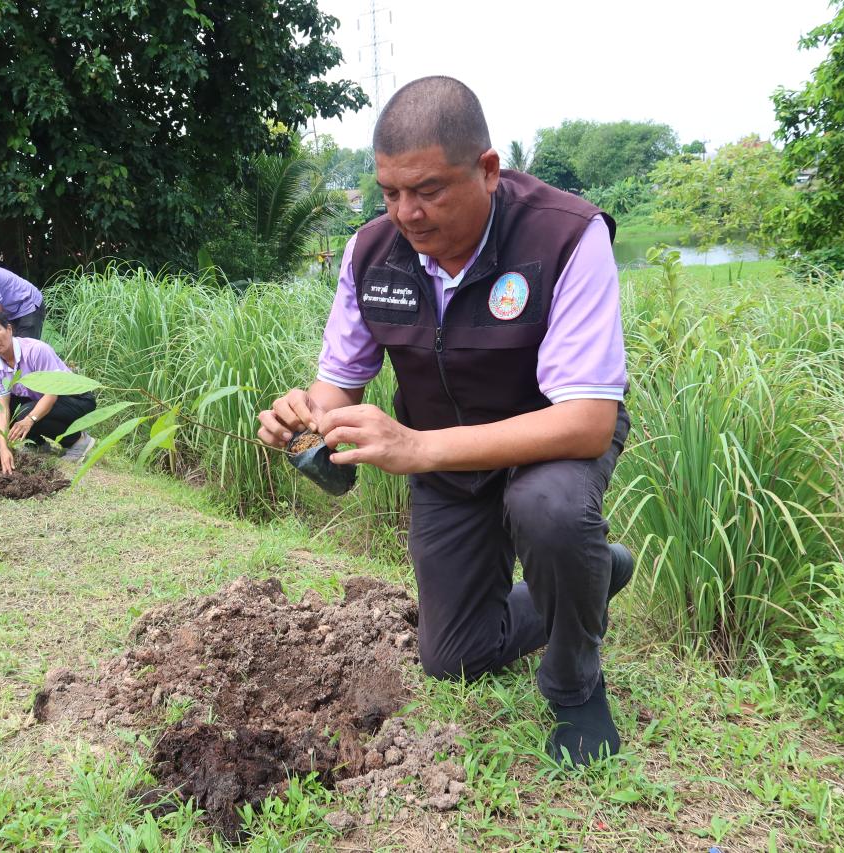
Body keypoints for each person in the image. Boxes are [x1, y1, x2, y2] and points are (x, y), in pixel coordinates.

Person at [256, 77, 634, 768]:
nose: (408, 213)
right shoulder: (370, 253)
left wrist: (418, 446)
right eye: (390, 192)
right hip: (444, 463)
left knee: (546, 505)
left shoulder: (566, 236)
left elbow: (585, 422)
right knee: (455, 657)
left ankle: (575, 681)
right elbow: (335, 388)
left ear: (487, 170)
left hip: (546, 446)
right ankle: (593, 573)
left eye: (427, 189)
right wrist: (303, 420)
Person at [0, 309, 96, 473]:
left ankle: (78, 441)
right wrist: (4, 448)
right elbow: (0, 409)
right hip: (42, 402)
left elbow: (53, 392)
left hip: (76, 399)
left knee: (27, 412)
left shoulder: (35, 350)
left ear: (9, 329)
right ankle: (38, 445)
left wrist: (29, 420)